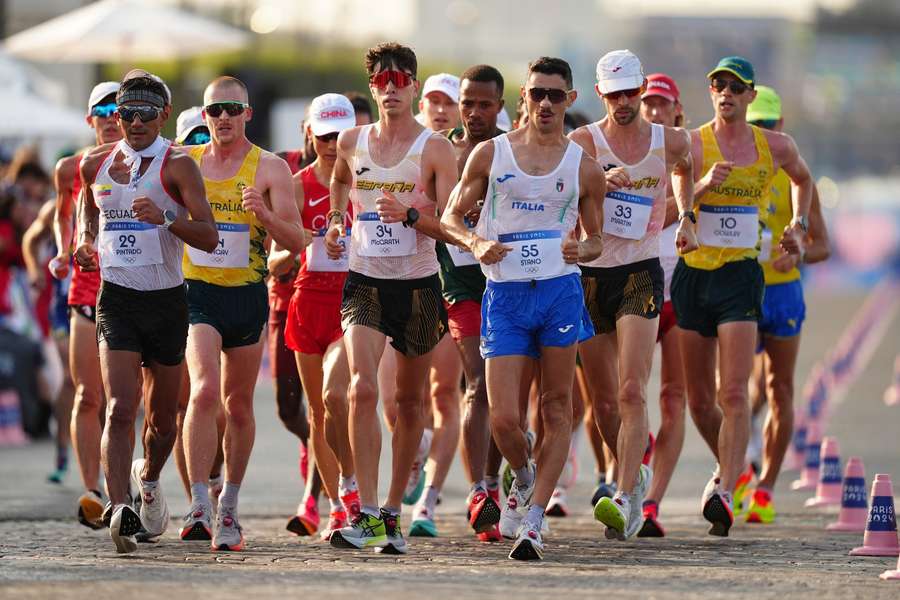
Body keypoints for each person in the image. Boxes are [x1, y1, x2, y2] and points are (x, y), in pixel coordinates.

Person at [442, 56, 605, 560]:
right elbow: (448, 216)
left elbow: (598, 237)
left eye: (557, 95)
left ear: (571, 100)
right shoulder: (491, 156)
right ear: (525, 99)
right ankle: (525, 471)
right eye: (538, 94)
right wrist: (473, 242)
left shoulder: (584, 167)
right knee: (505, 420)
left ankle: (534, 518)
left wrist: (587, 248)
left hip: (558, 290)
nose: (547, 104)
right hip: (506, 295)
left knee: (559, 406)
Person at [75, 70, 218, 553]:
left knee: (162, 425)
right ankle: (119, 508)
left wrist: (167, 217)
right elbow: (88, 207)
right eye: (125, 113)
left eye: (144, 114)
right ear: (115, 115)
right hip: (116, 297)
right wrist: (85, 241)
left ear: (163, 116)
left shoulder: (177, 165)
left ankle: (150, 479)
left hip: (167, 301)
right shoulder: (93, 163)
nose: (133, 122)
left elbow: (210, 234)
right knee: (119, 407)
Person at [324, 42, 457, 555]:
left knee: (408, 403)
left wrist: (408, 214)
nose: (391, 87)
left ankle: (393, 515)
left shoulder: (435, 149)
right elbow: (340, 180)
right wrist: (337, 221)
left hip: (420, 285)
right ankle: (367, 511)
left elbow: (450, 226)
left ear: (415, 87)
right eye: (381, 80)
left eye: (401, 79)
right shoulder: (352, 141)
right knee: (361, 390)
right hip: (365, 280)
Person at [674, 57, 813, 537]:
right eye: (718, 84)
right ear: (711, 92)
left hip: (740, 275)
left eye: (735, 86)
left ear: (751, 95)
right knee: (699, 400)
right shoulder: (692, 142)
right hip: (694, 276)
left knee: (735, 392)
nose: (725, 92)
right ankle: (729, 467)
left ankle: (726, 490)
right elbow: (677, 186)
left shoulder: (774, 145)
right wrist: (696, 198)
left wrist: (800, 225)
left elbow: (803, 179)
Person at [569, 50, 696, 541]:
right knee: (602, 403)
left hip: (641, 271)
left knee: (630, 388)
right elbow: (562, 193)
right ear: (600, 93)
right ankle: (631, 469)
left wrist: (684, 215)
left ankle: (624, 496)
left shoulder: (669, 140)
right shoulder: (582, 142)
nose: (623, 103)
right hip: (591, 275)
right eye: (614, 94)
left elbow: (686, 167)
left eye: (631, 92)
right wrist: (600, 180)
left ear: (642, 89)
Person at [179, 76, 304, 551]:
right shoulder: (184, 163)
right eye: (215, 111)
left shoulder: (268, 168)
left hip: (248, 294)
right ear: (204, 115)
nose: (224, 118)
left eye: (233, 109)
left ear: (247, 114)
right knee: (205, 390)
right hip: (197, 293)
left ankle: (228, 505)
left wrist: (265, 217)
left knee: (239, 405)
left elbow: (297, 242)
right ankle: (197, 505)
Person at [411, 64, 506, 541]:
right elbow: (422, 217)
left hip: (509, 282)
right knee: (478, 385)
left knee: (506, 396)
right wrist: (454, 228)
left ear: (500, 106)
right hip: (460, 286)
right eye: (467, 103)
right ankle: (480, 491)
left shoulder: (511, 152)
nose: (472, 112)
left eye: (483, 104)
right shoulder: (440, 151)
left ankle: (502, 471)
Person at [269, 93, 361, 541]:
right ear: (309, 133)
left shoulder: (365, 181)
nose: (330, 143)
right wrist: (303, 242)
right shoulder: (295, 183)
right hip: (306, 302)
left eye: (339, 134)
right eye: (323, 134)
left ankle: (353, 488)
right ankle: (340, 511)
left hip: (352, 303)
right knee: (319, 414)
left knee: (337, 393)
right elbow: (273, 261)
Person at [739, 85, 830, 524]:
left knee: (781, 389)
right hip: (740, 289)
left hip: (783, 292)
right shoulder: (733, 171)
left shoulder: (798, 177)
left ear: (781, 127)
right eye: (755, 125)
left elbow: (823, 247)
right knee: (734, 392)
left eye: (769, 125)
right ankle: (735, 469)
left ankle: (766, 487)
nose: (763, 133)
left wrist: (797, 252)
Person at [49, 81, 122, 529]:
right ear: (89, 119)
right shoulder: (70, 168)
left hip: (138, 291)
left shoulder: (154, 162)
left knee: (128, 401)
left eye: (122, 108)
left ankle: (132, 483)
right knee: (88, 394)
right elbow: (63, 213)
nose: (114, 116)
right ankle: (93, 491)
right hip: (86, 291)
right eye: (104, 109)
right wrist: (63, 249)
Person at [634, 72, 692, 537]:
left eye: (662, 104)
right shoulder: (622, 149)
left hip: (680, 292)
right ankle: (632, 464)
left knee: (675, 399)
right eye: (647, 102)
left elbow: (683, 210)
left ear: (677, 112)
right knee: (620, 396)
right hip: (632, 288)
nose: (654, 110)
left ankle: (651, 503)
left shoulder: (688, 154)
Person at [170, 106, 226, 507]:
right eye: (191, 139)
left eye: (203, 137)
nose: (200, 145)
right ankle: (197, 501)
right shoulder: (168, 180)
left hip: (232, 295)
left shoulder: (238, 174)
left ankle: (217, 471)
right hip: (183, 295)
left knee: (218, 404)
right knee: (189, 401)